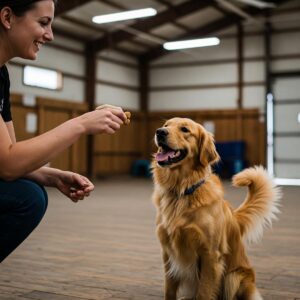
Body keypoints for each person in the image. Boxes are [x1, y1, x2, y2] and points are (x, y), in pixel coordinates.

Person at [0, 0, 127, 262]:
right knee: (27, 197)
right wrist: (80, 124)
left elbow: (8, 154)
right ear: (7, 17)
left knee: (32, 192)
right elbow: (8, 164)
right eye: (43, 23)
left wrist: (52, 176)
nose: (50, 35)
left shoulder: (1, 75)